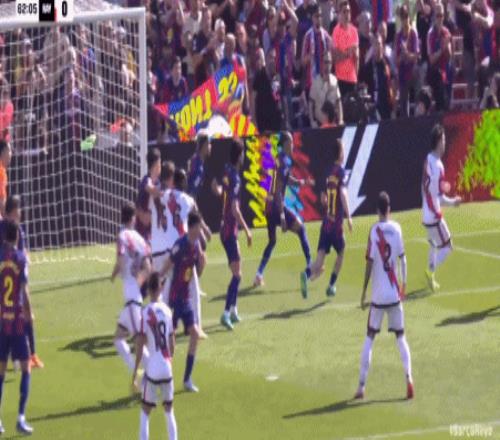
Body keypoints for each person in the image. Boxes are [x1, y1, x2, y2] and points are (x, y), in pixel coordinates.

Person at [355, 192, 413, 400]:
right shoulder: (397, 229)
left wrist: (364, 291)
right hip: (395, 294)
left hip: (378, 297)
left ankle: (361, 386)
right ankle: (409, 379)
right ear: (389, 209)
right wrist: (404, 286)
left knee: (370, 338)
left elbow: (369, 263)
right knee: (401, 337)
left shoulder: (374, 231)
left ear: (377, 210)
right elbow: (403, 259)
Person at [254, 132, 313, 287]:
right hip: (276, 206)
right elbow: (279, 191)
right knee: (301, 229)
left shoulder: (279, 158)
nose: (293, 145)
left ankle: (259, 274)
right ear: (286, 144)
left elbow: (285, 180)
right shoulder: (285, 162)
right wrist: (281, 215)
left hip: (269, 206)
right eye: (291, 142)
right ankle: (310, 265)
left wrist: (301, 182)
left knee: (272, 241)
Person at [162, 169, 211, 339]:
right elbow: (196, 215)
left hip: (168, 246)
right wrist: (205, 231)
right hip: (184, 246)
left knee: (169, 287)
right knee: (192, 287)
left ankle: (164, 325)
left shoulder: (165, 195)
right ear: (183, 182)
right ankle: (195, 325)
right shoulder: (188, 199)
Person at [160, 212, 206, 393]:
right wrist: (157, 281)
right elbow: (167, 265)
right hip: (173, 299)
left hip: (185, 299)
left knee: (194, 334)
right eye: (200, 226)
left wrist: (202, 264)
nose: (202, 230)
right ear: (193, 227)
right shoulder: (180, 245)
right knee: (170, 345)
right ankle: (164, 378)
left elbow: (197, 274)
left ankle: (187, 379)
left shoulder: (196, 246)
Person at [300, 139, 353, 299]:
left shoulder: (328, 172)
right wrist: (349, 216)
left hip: (326, 222)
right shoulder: (341, 173)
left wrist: (327, 202)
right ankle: (331, 286)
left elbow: (323, 198)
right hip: (336, 224)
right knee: (341, 252)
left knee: (319, 260)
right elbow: (342, 193)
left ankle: (306, 274)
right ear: (341, 153)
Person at [211, 140, 252, 331]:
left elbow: (223, 192)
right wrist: (247, 230)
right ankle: (226, 313)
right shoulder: (235, 177)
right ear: (239, 155)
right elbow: (235, 209)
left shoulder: (227, 170)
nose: (244, 157)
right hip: (229, 230)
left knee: (238, 268)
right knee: (237, 274)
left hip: (225, 228)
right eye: (243, 153)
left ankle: (234, 310)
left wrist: (217, 190)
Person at [132, 272, 177, 440]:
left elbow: (140, 344)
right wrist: (169, 361)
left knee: (145, 412)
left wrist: (135, 370)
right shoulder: (167, 311)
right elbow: (172, 343)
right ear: (161, 288)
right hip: (167, 367)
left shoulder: (145, 313)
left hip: (153, 369)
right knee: (169, 411)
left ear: (148, 290)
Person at [0, 196, 43, 369]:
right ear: (13, 211)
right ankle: (26, 355)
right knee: (22, 315)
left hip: (10, 279)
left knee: (16, 316)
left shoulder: (13, 228)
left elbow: (21, 252)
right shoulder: (12, 229)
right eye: (19, 208)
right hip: (10, 280)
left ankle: (27, 355)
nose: (21, 212)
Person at [0, 220, 34, 434]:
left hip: (2, 320)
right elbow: (24, 290)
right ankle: (20, 417)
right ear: (17, 236)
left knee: (1, 370)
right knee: (26, 367)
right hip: (18, 322)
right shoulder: (20, 259)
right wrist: (30, 315)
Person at [111, 204, 151, 373]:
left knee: (139, 341)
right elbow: (148, 267)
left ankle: (154, 373)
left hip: (132, 299)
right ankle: (135, 371)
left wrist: (115, 275)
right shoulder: (140, 239)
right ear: (133, 218)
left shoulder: (121, 237)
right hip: (133, 297)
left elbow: (120, 260)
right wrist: (139, 280)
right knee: (118, 339)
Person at [422, 124, 461, 292]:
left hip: (425, 213)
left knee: (433, 245)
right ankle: (430, 271)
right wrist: (453, 202)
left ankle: (431, 278)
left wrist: (440, 188)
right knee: (448, 246)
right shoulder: (438, 165)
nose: (445, 143)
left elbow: (430, 188)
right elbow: (438, 197)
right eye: (443, 140)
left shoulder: (428, 159)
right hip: (434, 215)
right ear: (438, 141)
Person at [427, 3, 453, 112]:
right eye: (438, 15)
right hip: (435, 71)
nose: (440, 18)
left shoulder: (446, 32)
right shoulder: (431, 34)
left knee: (451, 68)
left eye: (441, 15)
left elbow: (449, 55)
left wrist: (446, 47)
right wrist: (441, 49)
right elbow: (431, 59)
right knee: (438, 79)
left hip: (445, 69)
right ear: (434, 16)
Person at [395, 5, 420, 117]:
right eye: (402, 17)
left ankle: (419, 115)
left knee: (417, 73)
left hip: (412, 69)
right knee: (403, 97)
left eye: (406, 16)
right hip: (403, 71)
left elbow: (416, 56)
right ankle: (405, 118)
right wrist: (402, 55)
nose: (404, 19)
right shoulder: (398, 36)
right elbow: (397, 60)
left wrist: (407, 53)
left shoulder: (413, 33)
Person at [331, 0, 359, 96]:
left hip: (352, 78)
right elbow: (335, 58)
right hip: (340, 78)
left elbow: (356, 57)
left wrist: (356, 76)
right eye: (344, 11)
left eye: (348, 11)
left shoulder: (354, 31)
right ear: (339, 14)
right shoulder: (336, 31)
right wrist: (348, 53)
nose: (347, 14)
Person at [309, 53, 343, 127]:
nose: (328, 65)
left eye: (330, 62)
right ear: (322, 63)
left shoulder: (334, 80)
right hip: (319, 124)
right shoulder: (316, 81)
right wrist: (312, 121)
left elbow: (338, 101)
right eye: (326, 62)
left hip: (332, 124)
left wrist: (341, 119)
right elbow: (311, 103)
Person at [136, 149, 162, 243]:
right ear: (156, 164)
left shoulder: (158, 183)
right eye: (160, 163)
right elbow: (150, 188)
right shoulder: (146, 180)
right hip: (142, 231)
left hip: (153, 230)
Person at [187, 132, 212, 199]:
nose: (210, 146)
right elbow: (191, 191)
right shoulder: (197, 166)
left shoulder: (199, 162)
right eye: (209, 143)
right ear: (204, 146)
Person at [0, 140, 12, 218]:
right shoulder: (1, 172)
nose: (11, 153)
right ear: (2, 153)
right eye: (9, 150)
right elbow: (2, 204)